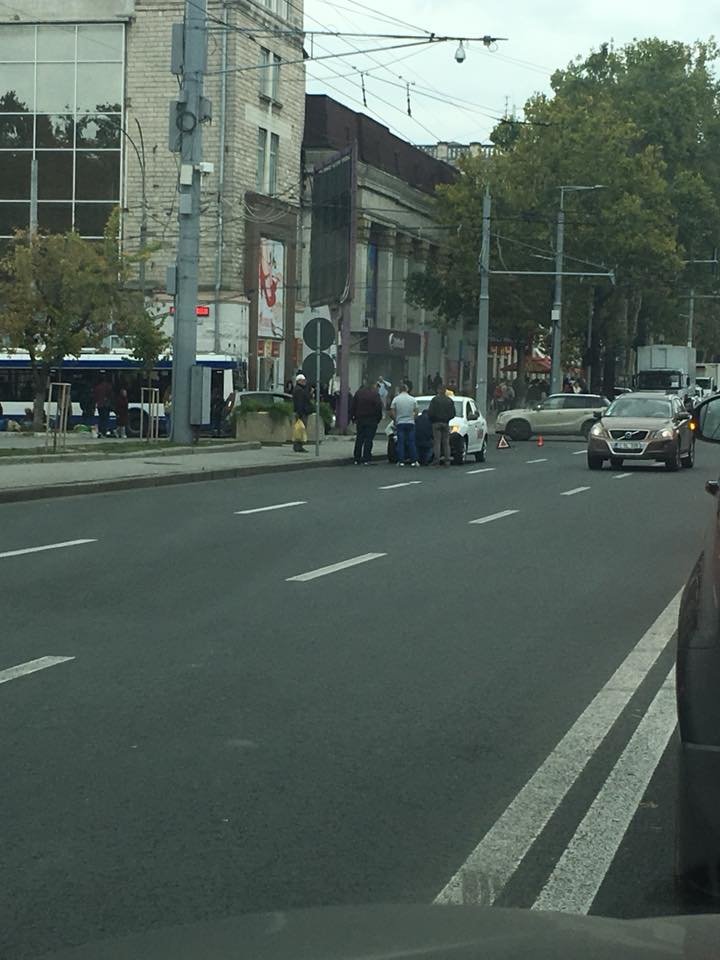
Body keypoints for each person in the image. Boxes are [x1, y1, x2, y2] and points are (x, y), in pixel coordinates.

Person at [350, 379, 383, 464]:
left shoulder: (359, 393)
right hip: (371, 419)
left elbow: (353, 406)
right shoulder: (375, 394)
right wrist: (378, 418)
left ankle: (357, 458)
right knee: (369, 439)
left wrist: (353, 417)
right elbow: (378, 407)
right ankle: (366, 458)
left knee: (359, 438)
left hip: (360, 419)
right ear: (373, 385)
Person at [390, 382, 418, 467]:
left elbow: (392, 411)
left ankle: (401, 461)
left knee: (400, 442)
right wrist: (413, 418)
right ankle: (414, 461)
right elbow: (416, 411)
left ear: (399, 390)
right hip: (410, 423)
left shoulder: (396, 399)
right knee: (411, 442)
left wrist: (395, 419)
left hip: (400, 423)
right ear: (407, 389)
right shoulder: (412, 399)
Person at [428, 383, 455, 466]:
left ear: (439, 390)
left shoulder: (434, 400)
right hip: (446, 423)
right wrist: (447, 419)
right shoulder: (449, 401)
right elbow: (453, 413)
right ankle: (447, 460)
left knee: (437, 442)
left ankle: (437, 460)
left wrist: (433, 419)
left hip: (436, 423)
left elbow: (430, 412)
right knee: (446, 443)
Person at [292, 373, 312, 452]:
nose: (305, 382)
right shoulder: (299, 390)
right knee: (300, 430)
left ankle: (298, 445)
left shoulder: (299, 389)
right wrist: (300, 414)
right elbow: (300, 402)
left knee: (300, 429)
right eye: (303, 381)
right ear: (299, 381)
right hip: (302, 413)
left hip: (301, 412)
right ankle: (298, 446)